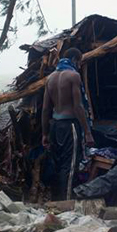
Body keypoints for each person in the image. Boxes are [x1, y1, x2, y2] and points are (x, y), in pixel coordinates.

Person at [42, 48, 95, 200]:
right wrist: (88, 132)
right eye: (79, 62)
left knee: (57, 164)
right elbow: (78, 107)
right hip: (70, 125)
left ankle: (54, 200)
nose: (79, 66)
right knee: (70, 165)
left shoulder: (50, 78)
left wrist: (45, 134)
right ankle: (65, 202)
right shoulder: (73, 76)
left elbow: (46, 109)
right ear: (75, 60)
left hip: (55, 126)